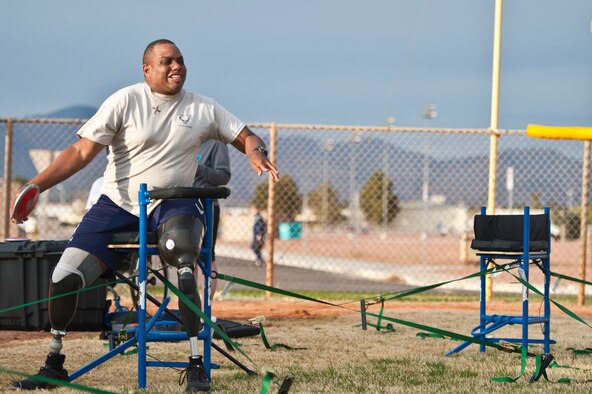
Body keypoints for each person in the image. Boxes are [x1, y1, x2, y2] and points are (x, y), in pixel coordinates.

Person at [10, 38, 279, 393]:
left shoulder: (203, 107)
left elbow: (246, 136)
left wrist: (255, 152)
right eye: (167, 61)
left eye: (181, 61)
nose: (176, 67)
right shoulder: (125, 101)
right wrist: (36, 187)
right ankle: (54, 361)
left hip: (174, 201)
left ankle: (196, 363)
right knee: (64, 277)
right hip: (117, 203)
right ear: (147, 69)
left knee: (184, 264)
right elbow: (80, 151)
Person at [193, 139, 231, 299]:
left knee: (207, 255)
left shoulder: (216, 144)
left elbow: (223, 176)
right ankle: (189, 303)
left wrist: (197, 168)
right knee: (187, 256)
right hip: (183, 205)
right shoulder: (185, 138)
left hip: (206, 205)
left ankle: (206, 305)